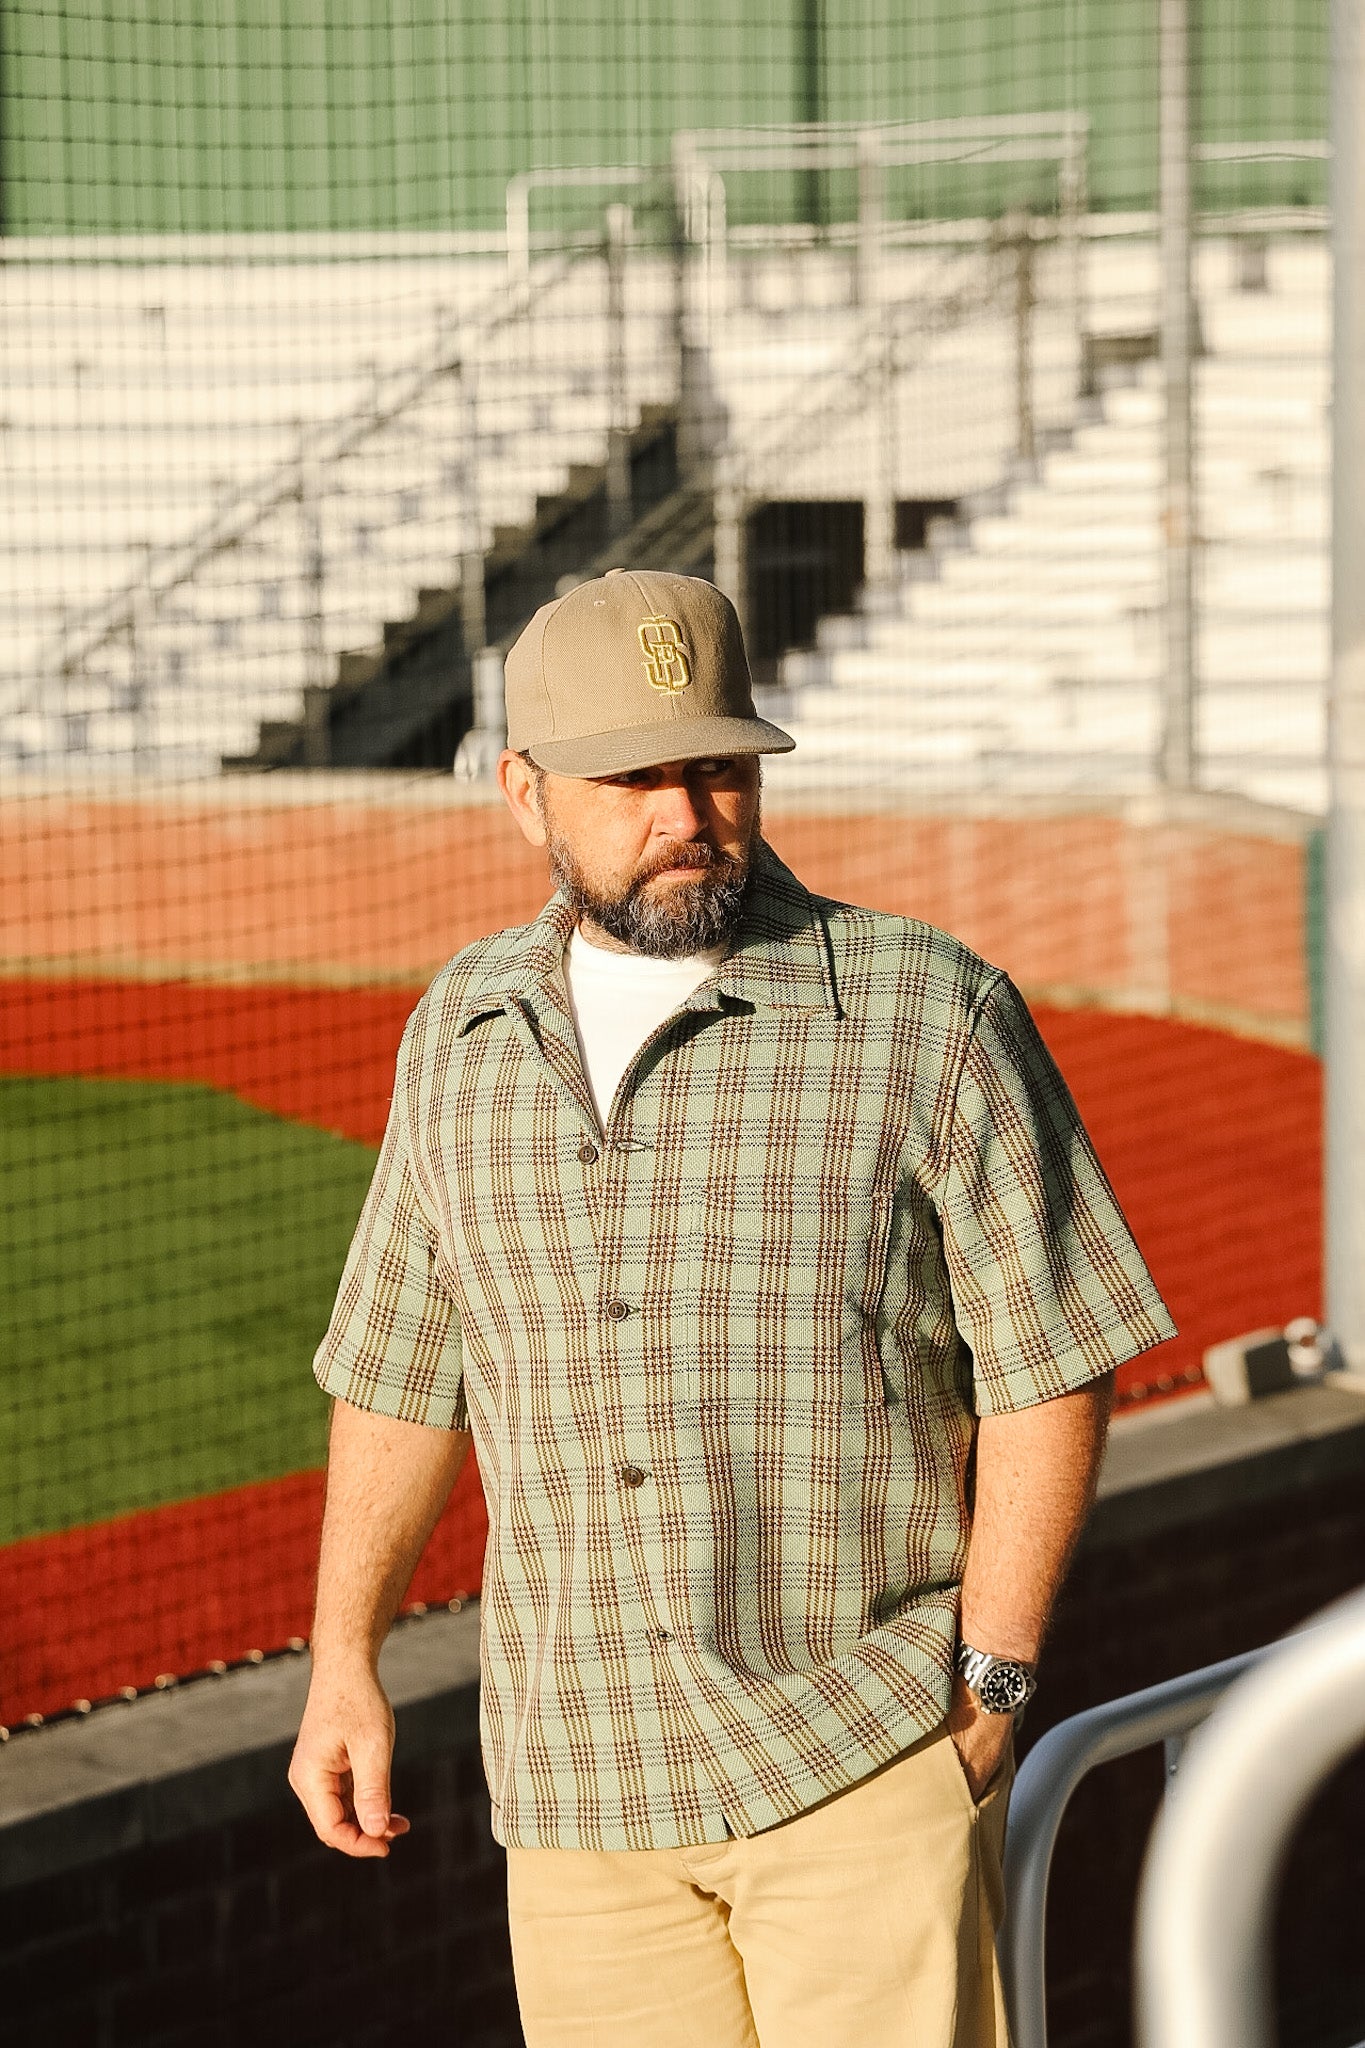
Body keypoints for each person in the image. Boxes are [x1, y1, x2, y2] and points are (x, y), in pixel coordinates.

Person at [289, 568, 1175, 2048]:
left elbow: (1050, 1366)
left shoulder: (927, 1014)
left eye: (715, 767)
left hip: (861, 1752)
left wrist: (990, 1691)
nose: (686, 816)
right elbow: (396, 1371)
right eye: (632, 777)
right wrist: (342, 1662)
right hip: (576, 1791)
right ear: (525, 794)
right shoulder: (456, 1032)